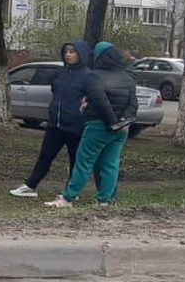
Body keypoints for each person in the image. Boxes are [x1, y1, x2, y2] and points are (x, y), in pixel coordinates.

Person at [47, 41, 138, 208]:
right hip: (122, 129)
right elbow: (133, 104)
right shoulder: (127, 77)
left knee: (84, 162)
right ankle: (106, 200)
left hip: (99, 125)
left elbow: (100, 101)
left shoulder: (95, 76)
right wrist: (123, 121)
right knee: (111, 163)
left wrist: (112, 122)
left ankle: (68, 197)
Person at [9, 40, 94, 198]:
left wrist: (81, 110)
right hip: (55, 123)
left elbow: (92, 97)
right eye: (66, 51)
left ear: (81, 55)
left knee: (75, 159)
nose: (68, 55)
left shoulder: (88, 75)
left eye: (72, 52)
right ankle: (30, 186)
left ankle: (71, 191)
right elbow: (55, 90)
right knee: (45, 156)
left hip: (76, 125)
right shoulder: (61, 72)